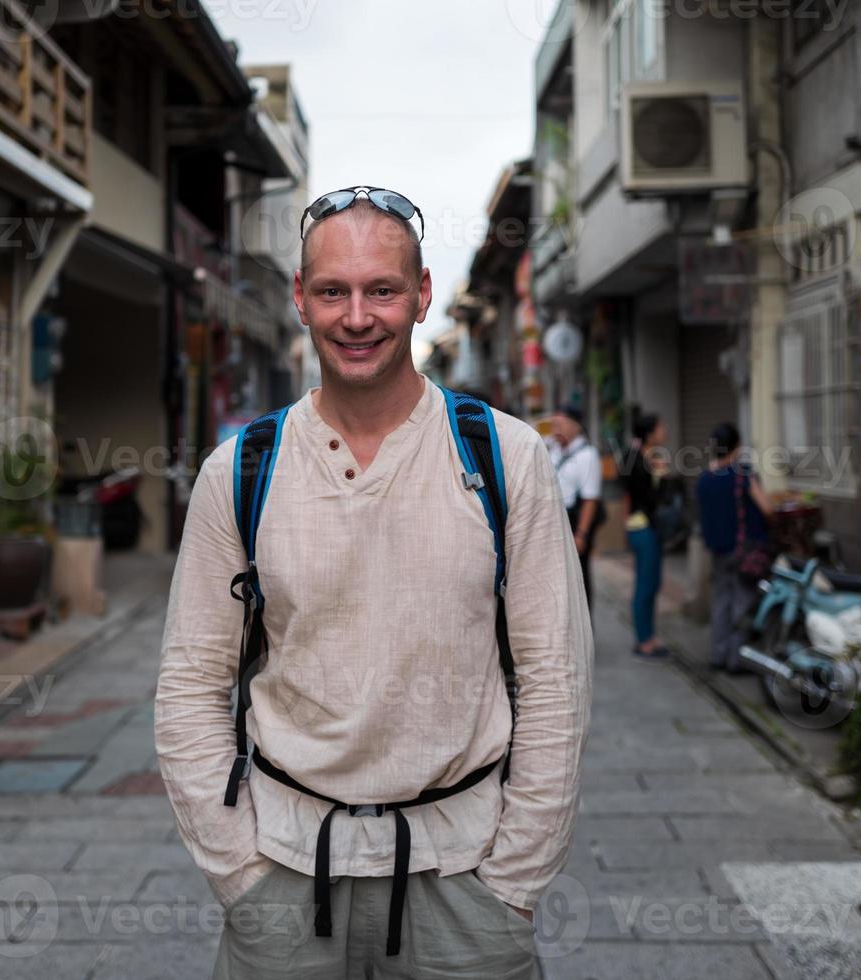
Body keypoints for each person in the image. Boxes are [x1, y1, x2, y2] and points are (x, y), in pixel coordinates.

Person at [154, 186, 593, 979]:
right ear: (300, 298)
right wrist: (237, 875)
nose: (358, 317)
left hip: (464, 873)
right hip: (284, 871)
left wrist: (516, 881)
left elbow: (555, 677)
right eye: (333, 291)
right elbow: (190, 680)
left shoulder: (506, 458)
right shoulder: (242, 471)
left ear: (422, 295)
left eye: (382, 290)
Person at [696, 422, 773, 674]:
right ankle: (736, 660)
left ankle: (717, 655)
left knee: (721, 601)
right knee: (742, 601)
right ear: (737, 447)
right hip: (744, 551)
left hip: (718, 550)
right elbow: (767, 509)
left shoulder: (705, 479)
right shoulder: (743, 475)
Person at [541, 407, 603, 615]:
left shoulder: (588, 455)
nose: (555, 429)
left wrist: (581, 534)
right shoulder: (555, 449)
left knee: (580, 581)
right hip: (555, 519)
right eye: (554, 425)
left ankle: (585, 637)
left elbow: (590, 499)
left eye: (560, 425)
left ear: (575, 426)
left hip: (575, 522)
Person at [622, 408, 669, 659]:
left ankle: (648, 635)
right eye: (661, 427)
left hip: (643, 527)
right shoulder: (638, 460)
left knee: (651, 583)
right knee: (646, 584)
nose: (665, 431)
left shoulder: (642, 455)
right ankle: (643, 640)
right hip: (642, 528)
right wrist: (660, 476)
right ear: (650, 433)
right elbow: (646, 498)